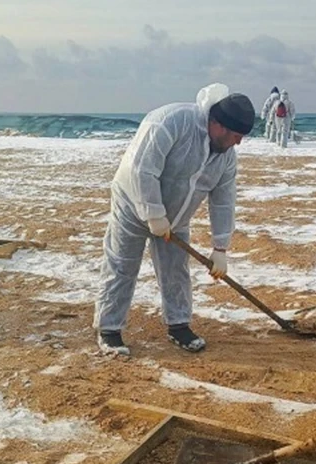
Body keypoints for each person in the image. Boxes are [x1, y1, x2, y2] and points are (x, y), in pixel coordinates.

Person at [94, 84, 255, 355]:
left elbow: (223, 201)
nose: (238, 144)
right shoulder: (170, 122)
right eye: (236, 136)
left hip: (177, 217)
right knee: (122, 265)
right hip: (133, 204)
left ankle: (179, 325)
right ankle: (109, 329)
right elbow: (142, 170)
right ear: (217, 124)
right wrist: (154, 214)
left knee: (175, 271)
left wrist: (220, 248)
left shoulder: (226, 158)